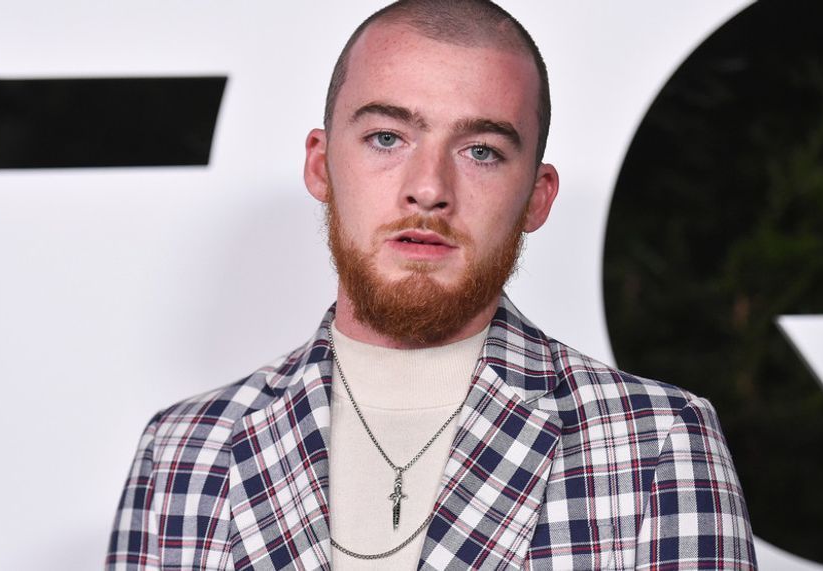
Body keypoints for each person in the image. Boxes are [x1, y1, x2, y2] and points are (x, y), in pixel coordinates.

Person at [107, 1, 756, 568]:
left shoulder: (653, 443)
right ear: (320, 164)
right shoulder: (185, 450)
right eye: (386, 137)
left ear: (536, 195)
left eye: (481, 151)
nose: (428, 188)